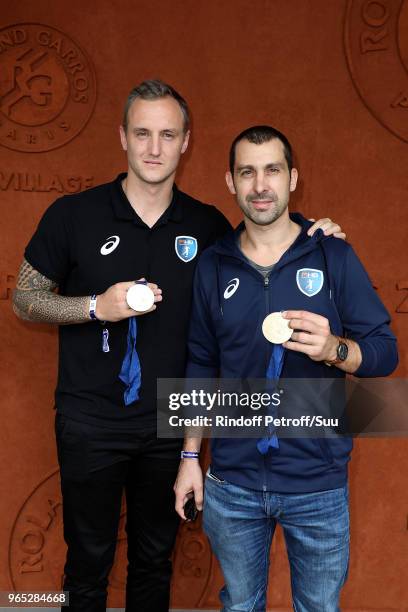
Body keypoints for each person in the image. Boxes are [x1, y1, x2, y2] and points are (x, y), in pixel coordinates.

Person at [12, 79, 345, 612]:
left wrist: (313, 233)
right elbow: (24, 298)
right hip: (90, 419)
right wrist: (97, 305)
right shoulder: (73, 215)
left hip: (172, 423)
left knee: (154, 560)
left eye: (168, 134)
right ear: (122, 136)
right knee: (87, 561)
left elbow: (265, 243)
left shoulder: (208, 225)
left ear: (186, 142)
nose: (153, 148)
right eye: (142, 133)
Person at [174, 125, 398, 611]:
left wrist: (335, 349)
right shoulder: (213, 266)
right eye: (247, 172)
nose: (260, 185)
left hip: (317, 484)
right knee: (239, 606)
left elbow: (385, 352)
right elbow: (200, 364)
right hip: (231, 485)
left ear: (293, 178)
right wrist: (190, 457)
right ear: (231, 183)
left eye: (272, 170)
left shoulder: (331, 254)